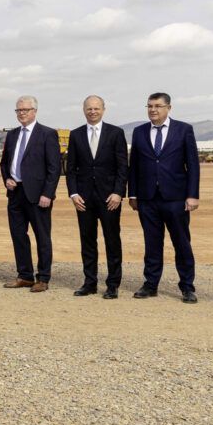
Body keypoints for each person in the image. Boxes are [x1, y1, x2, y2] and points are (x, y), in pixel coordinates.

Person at [128, 92, 200, 303]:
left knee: (182, 243)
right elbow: (135, 167)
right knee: (152, 243)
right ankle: (150, 284)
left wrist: (192, 195)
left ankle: (187, 286)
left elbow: (193, 165)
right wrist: (132, 194)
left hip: (176, 198)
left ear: (169, 107)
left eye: (158, 106)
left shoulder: (183, 130)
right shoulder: (139, 131)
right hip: (147, 199)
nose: (153, 110)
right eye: (149, 106)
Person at [64, 95, 128, 299]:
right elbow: (70, 168)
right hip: (83, 199)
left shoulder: (116, 133)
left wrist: (118, 192)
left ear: (103, 109)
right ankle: (89, 282)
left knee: (112, 240)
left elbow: (122, 167)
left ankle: (113, 284)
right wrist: (73, 193)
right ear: (84, 110)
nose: (92, 111)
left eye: (96, 108)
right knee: (87, 241)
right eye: (89, 108)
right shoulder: (75, 135)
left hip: (109, 198)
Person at [0, 95, 61, 292]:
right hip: (15, 193)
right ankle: (25, 275)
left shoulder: (47, 134)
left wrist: (48, 193)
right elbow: (5, 163)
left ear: (35, 111)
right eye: (18, 110)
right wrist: (7, 178)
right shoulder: (12, 135)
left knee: (42, 237)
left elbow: (54, 167)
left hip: (38, 196)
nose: (22, 113)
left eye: (25, 110)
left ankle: (43, 278)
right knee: (18, 236)